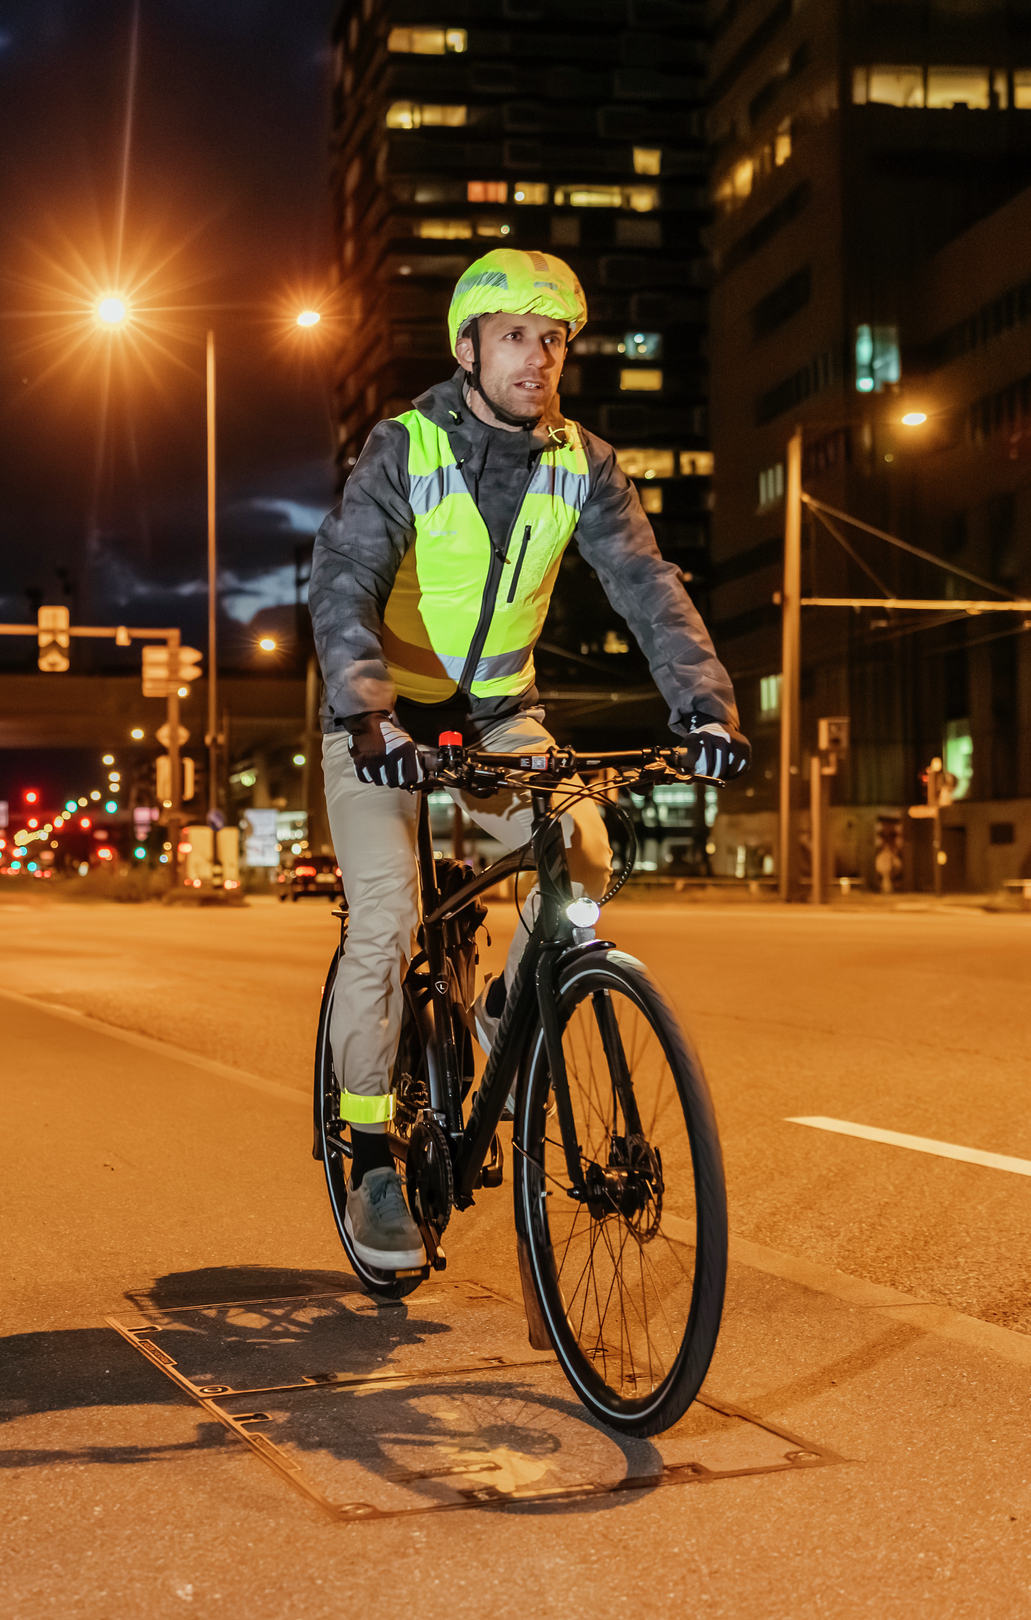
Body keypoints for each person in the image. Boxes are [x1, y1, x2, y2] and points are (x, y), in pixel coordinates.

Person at [309, 248, 748, 1271]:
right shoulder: (403, 447)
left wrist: (706, 709)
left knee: (585, 848)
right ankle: (373, 1153)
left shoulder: (580, 461)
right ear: (468, 348)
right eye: (516, 336)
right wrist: (372, 717)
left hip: (502, 717)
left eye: (554, 341)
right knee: (385, 920)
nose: (539, 357)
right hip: (384, 725)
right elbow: (344, 584)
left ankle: (514, 1003)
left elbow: (646, 583)